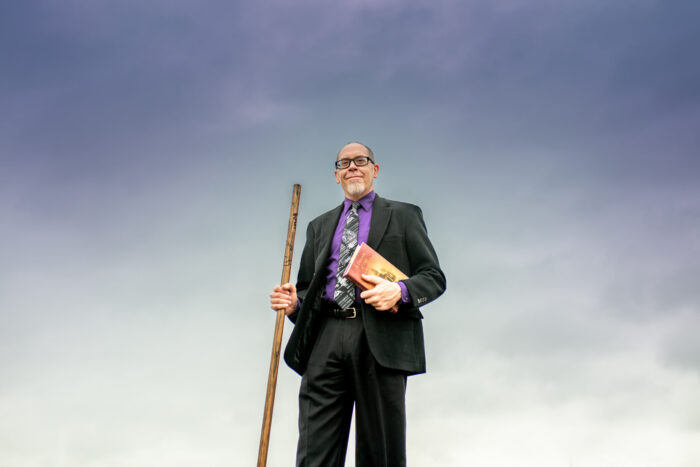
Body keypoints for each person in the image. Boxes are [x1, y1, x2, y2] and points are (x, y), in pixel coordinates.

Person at [269, 142, 446, 467]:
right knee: (313, 452)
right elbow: (309, 290)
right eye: (344, 163)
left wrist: (401, 292)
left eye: (360, 161)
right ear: (336, 175)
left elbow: (433, 277)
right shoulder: (319, 227)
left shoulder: (404, 215)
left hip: (380, 338)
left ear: (374, 170)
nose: (352, 167)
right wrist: (296, 305)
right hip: (325, 339)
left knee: (380, 452)